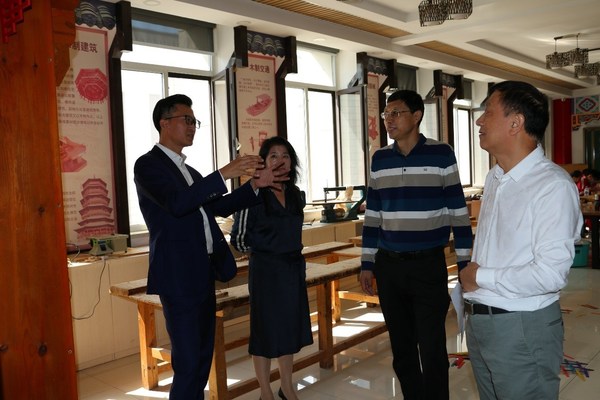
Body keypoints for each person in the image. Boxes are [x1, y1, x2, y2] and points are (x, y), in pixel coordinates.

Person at [134, 94, 287, 400]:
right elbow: (177, 204)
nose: (193, 126)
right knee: (189, 361)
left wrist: (254, 185)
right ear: (164, 123)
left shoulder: (189, 172)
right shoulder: (148, 165)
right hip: (178, 275)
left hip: (203, 271)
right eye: (186, 120)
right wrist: (222, 174)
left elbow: (216, 207)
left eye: (195, 121)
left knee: (203, 356)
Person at [460, 81, 583, 400]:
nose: (479, 120)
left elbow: (550, 274)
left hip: (521, 327)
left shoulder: (552, 186)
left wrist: (479, 277)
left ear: (516, 123)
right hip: (482, 321)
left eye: (488, 112)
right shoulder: (495, 176)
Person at [359, 89, 473, 399]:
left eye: (396, 113)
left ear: (417, 116)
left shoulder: (441, 154)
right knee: (402, 347)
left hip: (428, 265)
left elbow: (458, 212)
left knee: (432, 346)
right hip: (389, 266)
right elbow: (373, 215)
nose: (389, 119)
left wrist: (464, 263)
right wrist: (367, 263)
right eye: (386, 114)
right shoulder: (380, 158)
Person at [230, 136, 313, 400]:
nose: (280, 160)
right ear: (263, 162)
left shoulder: (296, 194)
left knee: (289, 329)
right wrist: (265, 250)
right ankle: (265, 391)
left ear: (292, 162)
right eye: (273, 156)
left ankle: (287, 386)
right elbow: (238, 240)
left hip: (292, 270)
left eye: (285, 155)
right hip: (266, 273)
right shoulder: (253, 193)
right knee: (265, 333)